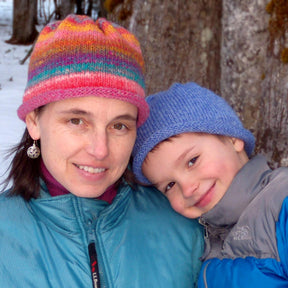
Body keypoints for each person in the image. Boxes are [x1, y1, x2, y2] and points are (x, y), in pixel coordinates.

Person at [0, 15, 204, 288]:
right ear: (34, 121)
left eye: (119, 126)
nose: (100, 150)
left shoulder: (185, 225)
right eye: (76, 121)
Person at [132, 82, 288, 287]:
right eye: (169, 185)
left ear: (233, 139)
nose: (187, 189)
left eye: (192, 161)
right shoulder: (203, 242)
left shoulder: (280, 203)